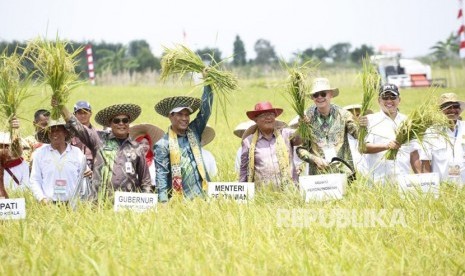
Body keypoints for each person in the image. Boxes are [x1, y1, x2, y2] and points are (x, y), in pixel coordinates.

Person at [55, 100, 153, 200]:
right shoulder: (98, 139)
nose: (121, 123)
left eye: (125, 120)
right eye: (116, 121)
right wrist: (61, 106)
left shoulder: (137, 148)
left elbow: (145, 181)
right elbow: (77, 126)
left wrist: (147, 204)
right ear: (110, 124)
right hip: (98, 202)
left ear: (129, 123)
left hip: (126, 205)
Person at [154, 82, 213, 203]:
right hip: (180, 200)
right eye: (180, 114)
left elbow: (205, 112)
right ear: (170, 116)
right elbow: (161, 175)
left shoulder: (194, 131)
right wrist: (163, 202)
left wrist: (208, 84)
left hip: (204, 196)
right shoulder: (163, 144)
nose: (185, 118)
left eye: (187, 115)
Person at [359, 83, 419, 184]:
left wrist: (421, 178)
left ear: (399, 100)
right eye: (385, 97)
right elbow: (363, 147)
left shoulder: (408, 122)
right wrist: (386, 146)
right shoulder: (369, 120)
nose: (389, 101)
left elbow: (414, 153)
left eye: (393, 97)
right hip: (378, 181)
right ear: (379, 100)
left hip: (403, 180)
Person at [296, 77, 358, 176]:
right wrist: (314, 159)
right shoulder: (307, 118)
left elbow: (359, 136)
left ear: (331, 94)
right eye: (316, 95)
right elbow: (300, 149)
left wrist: (362, 125)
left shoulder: (343, 115)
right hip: (319, 174)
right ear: (312, 97)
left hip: (343, 172)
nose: (319, 97)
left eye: (323, 94)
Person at [240, 101, 301, 188]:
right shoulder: (249, 142)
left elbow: (303, 138)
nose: (268, 117)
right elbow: (244, 170)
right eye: (263, 115)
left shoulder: (286, 134)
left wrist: (304, 125)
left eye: (271, 114)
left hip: (290, 191)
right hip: (263, 195)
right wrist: (242, 192)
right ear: (256, 120)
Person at [29, 119, 87, 203]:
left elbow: (84, 175)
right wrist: (41, 198)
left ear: (65, 133)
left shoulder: (76, 152)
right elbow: (35, 179)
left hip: (73, 204)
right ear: (48, 135)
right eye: (51, 131)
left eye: (58, 130)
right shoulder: (40, 153)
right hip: (48, 204)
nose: (54, 134)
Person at [419, 93, 465, 183]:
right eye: (448, 107)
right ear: (440, 110)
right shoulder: (431, 132)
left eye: (455, 106)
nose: (452, 110)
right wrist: (430, 187)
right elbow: (425, 162)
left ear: (459, 109)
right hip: (441, 186)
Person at [343, 104, 372, 175]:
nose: (356, 118)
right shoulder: (343, 135)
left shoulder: (370, 132)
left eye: (358, 115)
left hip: (368, 169)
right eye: (352, 115)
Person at [70, 101, 96, 170]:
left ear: (90, 113)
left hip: (92, 169)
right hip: (74, 167)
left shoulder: (96, 134)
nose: (83, 115)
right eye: (79, 113)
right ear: (74, 115)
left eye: (85, 112)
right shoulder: (69, 134)